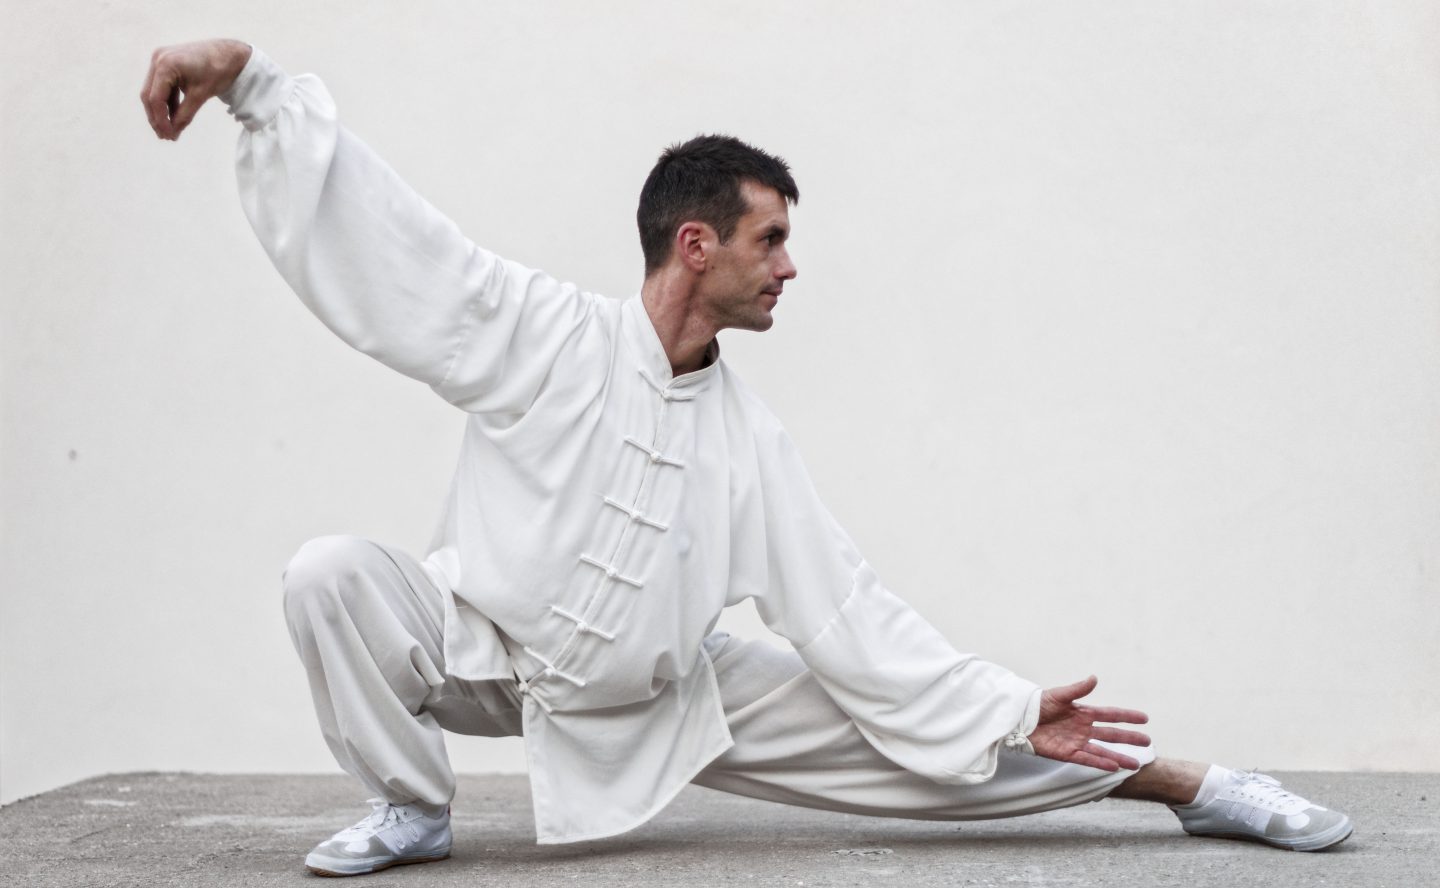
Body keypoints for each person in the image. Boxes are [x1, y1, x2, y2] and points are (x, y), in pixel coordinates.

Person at [141, 38, 1353, 877]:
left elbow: (847, 615)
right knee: (328, 572)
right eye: (769, 240)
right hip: (483, 650)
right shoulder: (539, 332)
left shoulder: (749, 442)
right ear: (696, 244)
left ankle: (1199, 790)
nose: (788, 266)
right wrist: (257, 87)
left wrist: (999, 703)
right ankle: (410, 807)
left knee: (928, 740)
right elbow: (397, 248)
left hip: (676, 697)